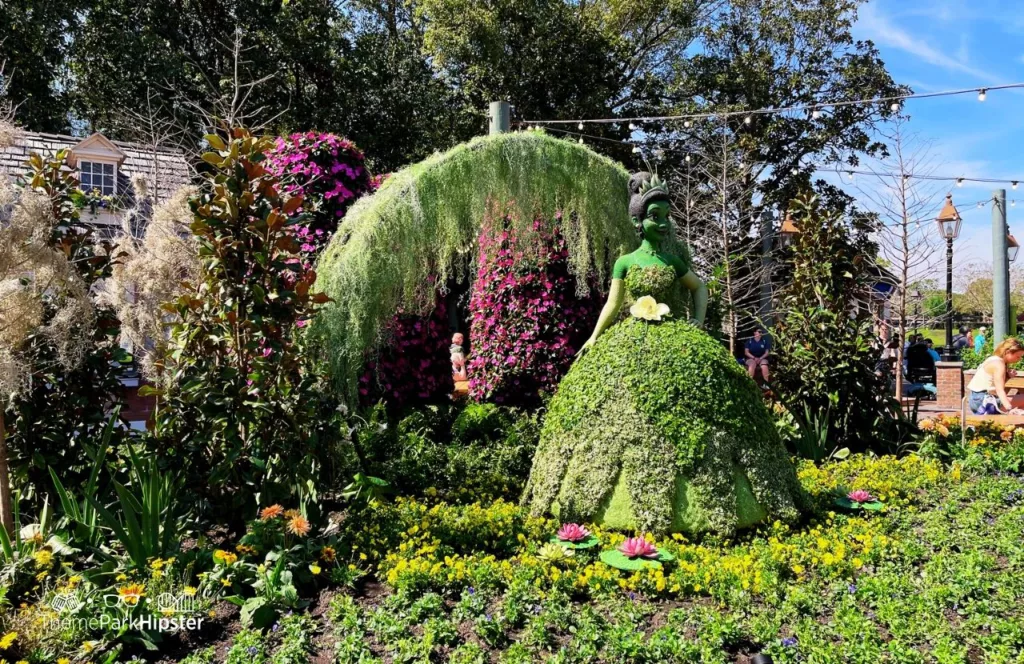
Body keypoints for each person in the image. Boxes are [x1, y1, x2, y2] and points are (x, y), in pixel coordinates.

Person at [525, 171, 806, 536]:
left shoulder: (672, 262)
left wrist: (699, 323)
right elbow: (612, 305)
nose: (661, 222)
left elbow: (699, 288)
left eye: (665, 215)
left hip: (675, 335)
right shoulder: (625, 262)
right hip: (627, 343)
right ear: (638, 221)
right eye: (654, 216)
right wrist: (595, 337)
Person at [966, 337, 1024, 414]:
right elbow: (999, 390)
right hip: (985, 401)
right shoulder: (999, 364)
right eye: (1017, 356)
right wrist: (1009, 409)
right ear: (1008, 352)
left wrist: (1008, 377)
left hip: (975, 399)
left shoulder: (993, 359)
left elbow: (993, 384)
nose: (1019, 359)